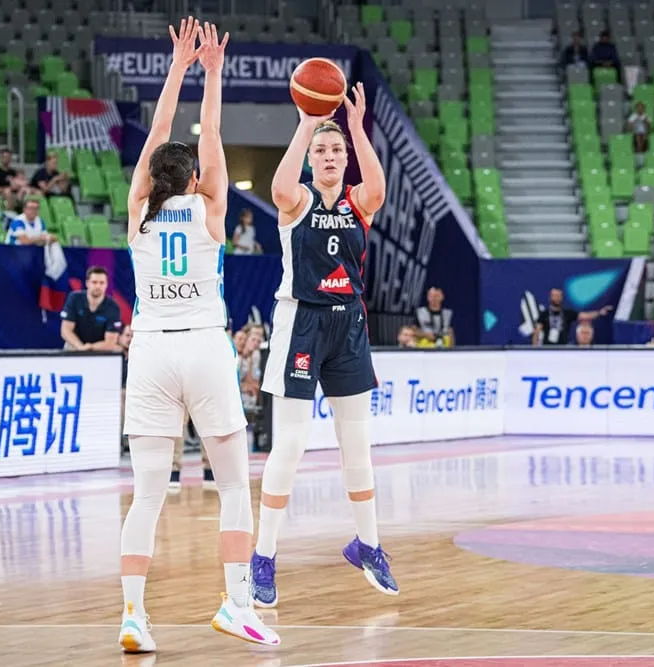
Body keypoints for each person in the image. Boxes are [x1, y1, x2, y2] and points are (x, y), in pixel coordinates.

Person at [116, 18, 279, 653]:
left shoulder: (138, 211)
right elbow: (208, 132)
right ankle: (237, 605)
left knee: (146, 496)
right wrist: (212, 71)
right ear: (192, 181)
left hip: (151, 350)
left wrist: (177, 67)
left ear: (151, 178)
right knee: (234, 485)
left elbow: (159, 133)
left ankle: (134, 616)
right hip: (205, 345)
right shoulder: (211, 208)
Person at [252, 81, 397, 607]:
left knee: (357, 444)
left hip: (348, 323)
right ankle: (263, 556)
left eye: (337, 150)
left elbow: (378, 187)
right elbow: (278, 186)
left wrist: (356, 127)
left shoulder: (360, 201)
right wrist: (307, 123)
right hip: (301, 322)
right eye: (322, 150)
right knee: (290, 445)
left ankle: (368, 545)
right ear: (311, 158)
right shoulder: (298, 200)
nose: (331, 156)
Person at [59, 266, 123, 351]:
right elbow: (65, 331)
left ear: (107, 284)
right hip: (74, 346)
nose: (98, 286)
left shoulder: (113, 307)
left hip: (101, 350)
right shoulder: (74, 298)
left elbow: (111, 341)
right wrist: (80, 347)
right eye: (94, 282)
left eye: (102, 283)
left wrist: (90, 347)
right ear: (87, 283)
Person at [532, 287, 611, 346]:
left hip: (563, 350)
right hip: (548, 350)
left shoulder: (567, 313)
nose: (556, 298)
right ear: (550, 297)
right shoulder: (544, 314)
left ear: (561, 298)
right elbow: (537, 332)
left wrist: (600, 312)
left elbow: (585, 316)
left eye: (558, 296)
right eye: (554, 295)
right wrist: (535, 350)